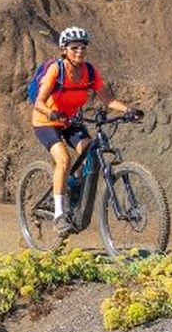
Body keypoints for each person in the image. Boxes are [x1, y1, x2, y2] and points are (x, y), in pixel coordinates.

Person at [30, 26, 141, 239]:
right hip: (46, 121)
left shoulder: (89, 71)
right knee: (63, 160)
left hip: (71, 121)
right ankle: (59, 215)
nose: (79, 52)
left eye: (82, 47)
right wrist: (52, 114)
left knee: (90, 151)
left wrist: (129, 110)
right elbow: (39, 102)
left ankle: (71, 189)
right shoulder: (57, 70)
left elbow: (108, 100)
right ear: (65, 50)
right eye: (74, 48)